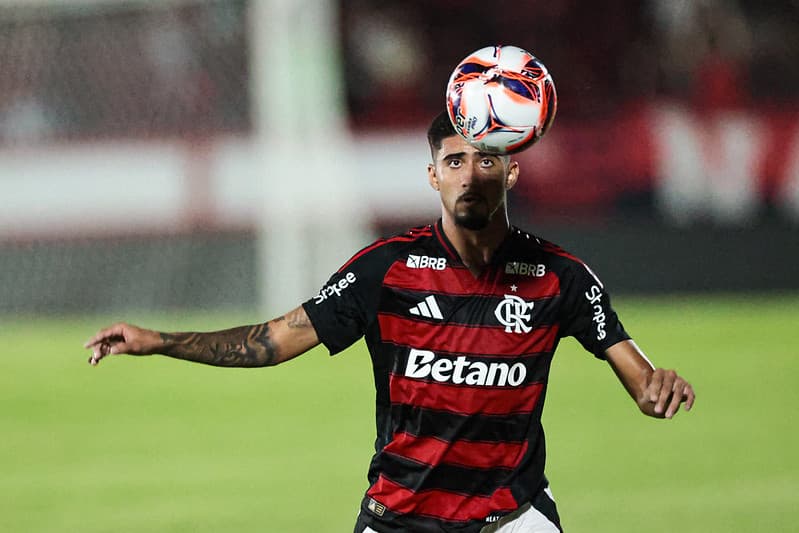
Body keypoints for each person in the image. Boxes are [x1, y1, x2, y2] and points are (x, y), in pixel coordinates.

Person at [85, 111, 695, 533]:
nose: (468, 173)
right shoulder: (387, 270)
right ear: (433, 176)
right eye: (453, 160)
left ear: (511, 171)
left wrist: (657, 388)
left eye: (485, 159)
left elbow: (640, 378)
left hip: (513, 515)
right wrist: (159, 341)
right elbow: (274, 340)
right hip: (401, 514)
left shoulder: (561, 275)